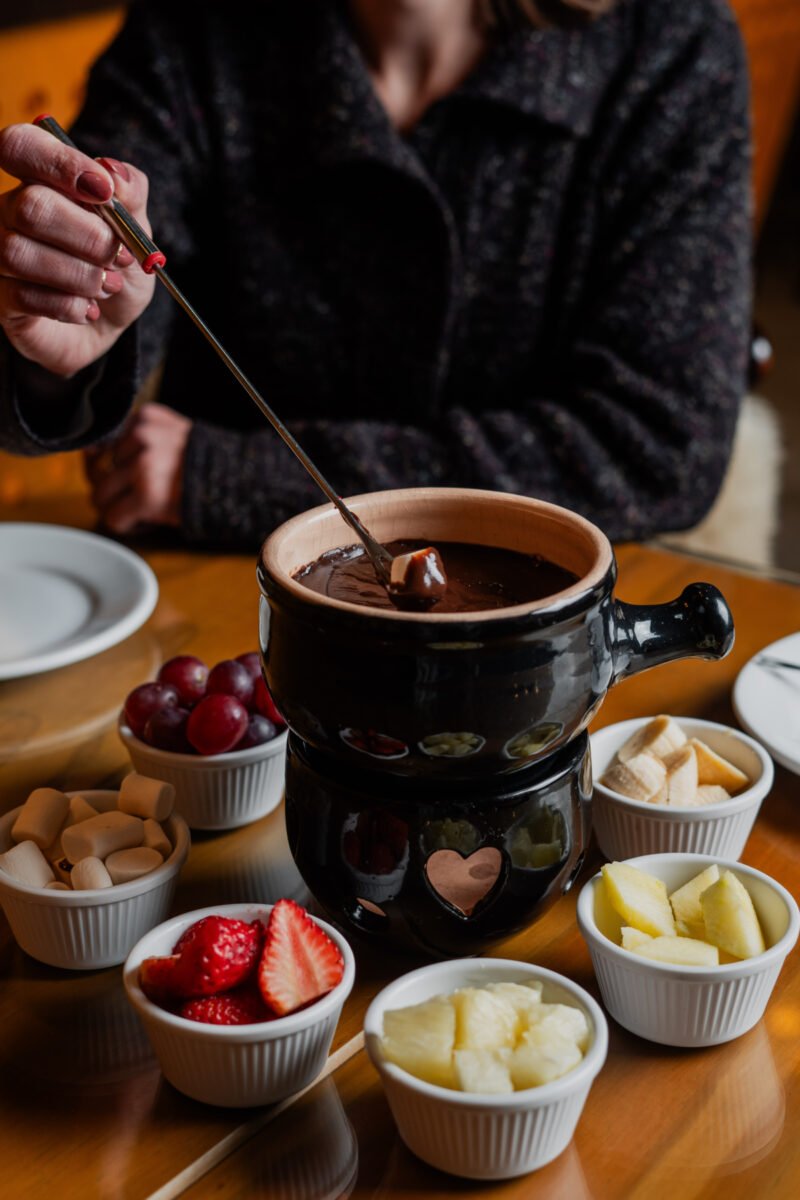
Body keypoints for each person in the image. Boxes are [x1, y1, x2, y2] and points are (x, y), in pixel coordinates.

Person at [0, 0, 751, 548]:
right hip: (239, 630)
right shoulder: (191, 34)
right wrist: (57, 331)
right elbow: (98, 308)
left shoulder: (672, 45)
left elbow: (661, 448)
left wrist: (232, 479)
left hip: (534, 627)